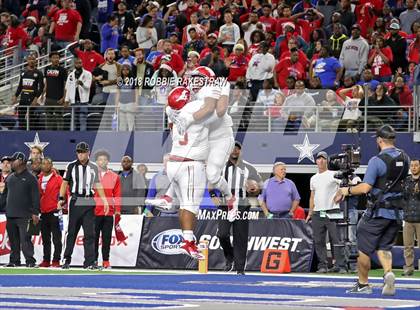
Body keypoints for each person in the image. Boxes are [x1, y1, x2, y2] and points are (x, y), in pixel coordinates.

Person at [336, 124, 410, 295]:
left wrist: (345, 190)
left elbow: (365, 188)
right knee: (384, 247)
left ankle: (363, 284)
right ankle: (388, 273)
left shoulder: (376, 161)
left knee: (363, 249)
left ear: (379, 140)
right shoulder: (405, 158)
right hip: (396, 213)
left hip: (377, 212)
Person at [164, 86, 209, 259]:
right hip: (190, 162)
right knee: (191, 205)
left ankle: (186, 238)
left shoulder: (173, 114)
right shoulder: (195, 108)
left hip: (174, 161)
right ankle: (188, 242)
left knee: (184, 205)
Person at [58, 142, 110, 269]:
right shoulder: (71, 166)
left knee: (90, 234)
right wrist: (61, 198)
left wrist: (104, 201)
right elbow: (64, 183)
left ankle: (89, 262)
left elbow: (97, 185)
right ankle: (66, 260)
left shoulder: (93, 167)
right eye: (79, 152)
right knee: (72, 232)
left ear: (88, 153)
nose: (81, 154)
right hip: (76, 200)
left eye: (83, 152)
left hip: (88, 200)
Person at [217, 141, 262, 274]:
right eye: (232, 149)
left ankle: (240, 268)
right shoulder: (221, 167)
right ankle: (230, 257)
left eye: (237, 149)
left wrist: (254, 190)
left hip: (242, 205)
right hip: (225, 205)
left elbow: (259, 187)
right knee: (222, 234)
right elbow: (211, 182)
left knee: (240, 236)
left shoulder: (249, 167)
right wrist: (214, 195)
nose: (235, 151)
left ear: (240, 151)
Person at [306, 151, 346, 274]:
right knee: (319, 240)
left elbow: (345, 186)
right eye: (319, 159)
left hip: (333, 210)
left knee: (336, 239)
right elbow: (312, 197)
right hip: (318, 213)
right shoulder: (313, 178)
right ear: (316, 161)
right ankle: (322, 266)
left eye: (323, 158)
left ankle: (340, 265)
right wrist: (310, 213)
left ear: (327, 161)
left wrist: (340, 194)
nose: (321, 161)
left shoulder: (334, 174)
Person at [4, 152, 40, 267]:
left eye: (13, 160)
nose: (10, 163)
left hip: (25, 215)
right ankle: (14, 261)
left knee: (25, 240)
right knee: (13, 241)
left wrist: (35, 212)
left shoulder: (31, 178)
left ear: (20, 161)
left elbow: (36, 196)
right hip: (10, 214)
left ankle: (30, 261)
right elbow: (4, 195)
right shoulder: (10, 177)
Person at [94, 150, 121, 269]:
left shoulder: (115, 177)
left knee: (106, 238)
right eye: (100, 159)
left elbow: (118, 195)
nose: (102, 162)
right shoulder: (92, 175)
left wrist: (118, 211)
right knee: (93, 238)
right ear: (96, 161)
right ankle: (93, 260)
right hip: (94, 211)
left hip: (108, 212)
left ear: (108, 161)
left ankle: (106, 261)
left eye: (104, 159)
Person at [38, 157, 63, 268]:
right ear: (41, 165)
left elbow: (65, 193)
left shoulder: (58, 178)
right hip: (43, 212)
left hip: (54, 211)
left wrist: (62, 203)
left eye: (48, 163)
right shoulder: (39, 179)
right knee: (45, 238)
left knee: (57, 238)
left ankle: (56, 260)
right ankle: (46, 260)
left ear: (52, 165)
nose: (46, 165)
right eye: (43, 163)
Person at [12, 54, 44, 130]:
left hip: (32, 99)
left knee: (31, 120)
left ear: (36, 61)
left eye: (33, 59)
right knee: (21, 119)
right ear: (27, 61)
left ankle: (31, 136)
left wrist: (36, 98)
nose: (31, 61)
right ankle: (22, 136)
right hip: (23, 99)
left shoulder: (39, 73)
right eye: (30, 59)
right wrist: (15, 96)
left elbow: (41, 87)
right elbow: (20, 86)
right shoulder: (23, 72)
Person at [401, 159, 420, 276]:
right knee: (408, 246)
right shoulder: (406, 180)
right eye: (412, 165)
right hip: (408, 218)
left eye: (416, 165)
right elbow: (402, 197)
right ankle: (409, 268)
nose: (413, 167)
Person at [64, 58, 92, 131]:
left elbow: (88, 86)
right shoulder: (71, 75)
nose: (78, 64)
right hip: (73, 102)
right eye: (77, 63)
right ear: (74, 64)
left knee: (83, 120)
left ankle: (83, 137)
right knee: (73, 121)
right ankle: (72, 137)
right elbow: (68, 88)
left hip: (83, 102)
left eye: (80, 63)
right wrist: (66, 100)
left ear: (82, 63)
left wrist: (82, 84)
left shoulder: (88, 74)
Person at [43, 51, 67, 130]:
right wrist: (42, 95)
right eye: (54, 58)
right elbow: (46, 83)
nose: (56, 59)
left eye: (57, 58)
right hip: (48, 98)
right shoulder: (47, 69)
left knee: (59, 117)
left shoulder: (63, 70)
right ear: (50, 59)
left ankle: (60, 135)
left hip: (58, 98)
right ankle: (48, 134)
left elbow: (65, 85)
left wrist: (64, 97)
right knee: (48, 117)